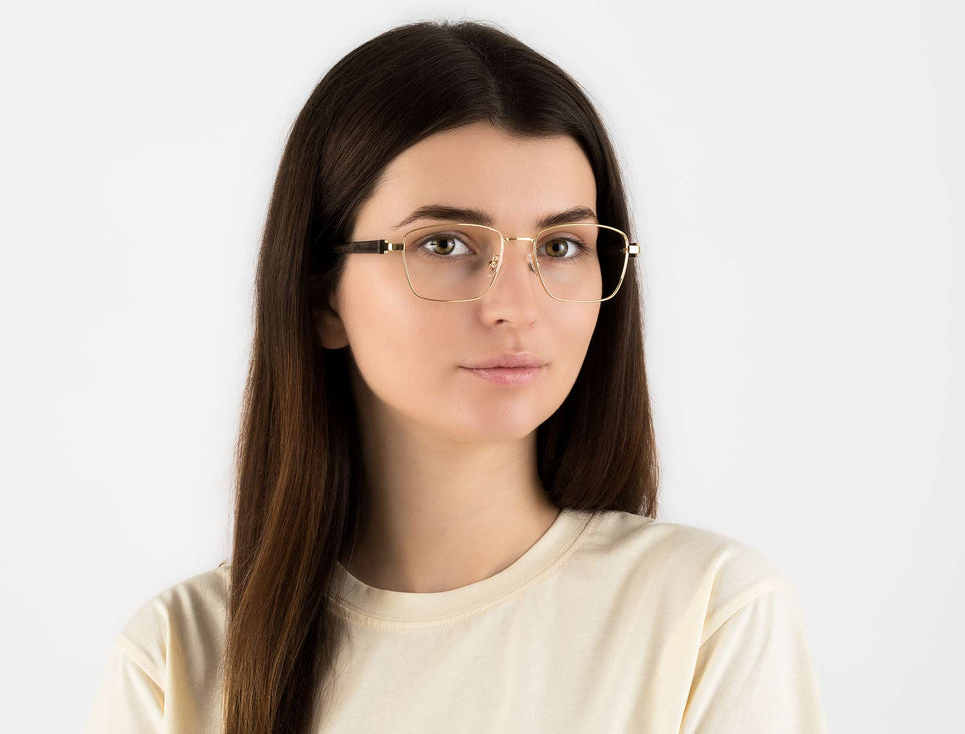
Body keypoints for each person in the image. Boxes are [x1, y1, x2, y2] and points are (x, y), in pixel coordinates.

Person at [84, 19, 829, 733]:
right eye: (444, 243)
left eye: (563, 246)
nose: (516, 305)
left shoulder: (705, 614)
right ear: (321, 296)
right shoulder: (180, 657)